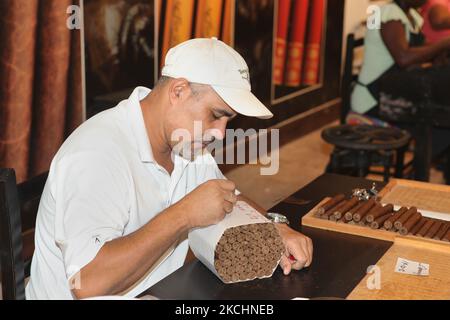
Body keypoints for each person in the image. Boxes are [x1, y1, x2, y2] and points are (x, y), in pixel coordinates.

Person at [26, 38, 313, 299]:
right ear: (178, 91)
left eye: (228, 121)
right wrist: (184, 215)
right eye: (215, 115)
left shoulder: (187, 144)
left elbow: (227, 197)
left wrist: (274, 227)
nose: (220, 134)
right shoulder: (95, 154)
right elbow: (87, 283)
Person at [350, 0, 450, 122]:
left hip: (390, 88)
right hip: (373, 99)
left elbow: (422, 47)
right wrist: (442, 44)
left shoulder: (411, 15)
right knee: (439, 108)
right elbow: (403, 58)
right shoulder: (388, 12)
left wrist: (441, 51)